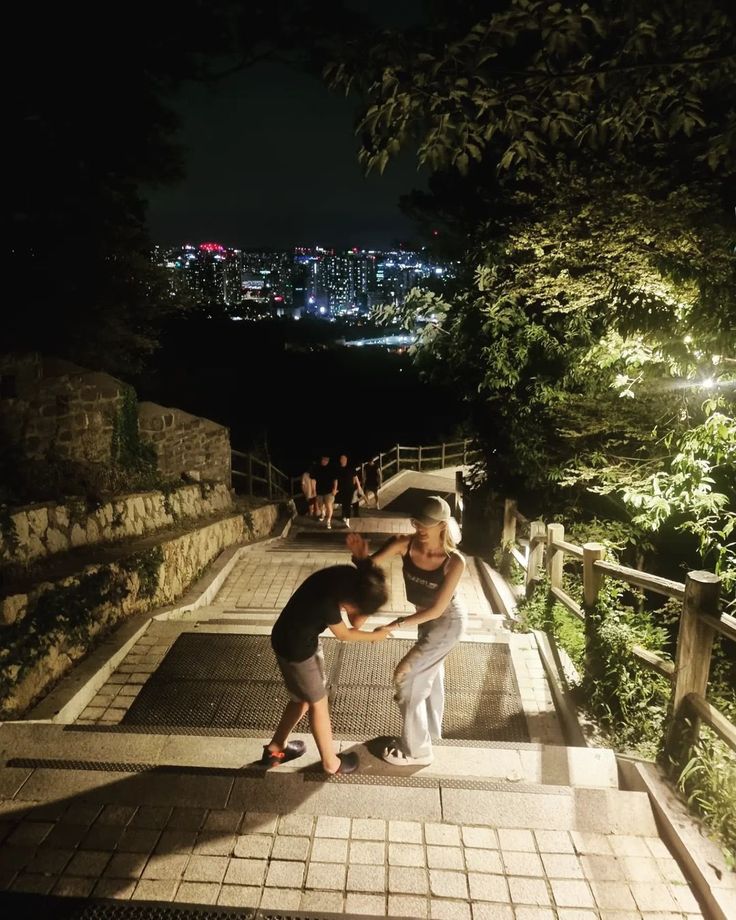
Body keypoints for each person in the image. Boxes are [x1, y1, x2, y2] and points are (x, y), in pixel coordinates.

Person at [349, 495, 466, 766]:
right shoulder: (405, 544)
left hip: (448, 622)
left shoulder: (454, 561)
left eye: (426, 524)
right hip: (424, 620)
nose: (420, 529)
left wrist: (394, 624)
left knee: (407, 677)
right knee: (430, 677)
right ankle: (430, 734)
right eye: (417, 523)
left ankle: (417, 750)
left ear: (443, 525)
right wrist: (360, 556)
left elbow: (438, 610)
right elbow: (370, 567)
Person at [263, 549, 394, 774]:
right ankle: (331, 763)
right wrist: (376, 636)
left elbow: (355, 618)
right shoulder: (327, 602)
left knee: (302, 699)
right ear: (353, 601)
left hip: (294, 638)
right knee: (318, 703)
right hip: (296, 650)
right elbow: (346, 634)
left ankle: (275, 749)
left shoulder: (344, 578)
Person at [335, 453, 365, 528]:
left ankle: (347, 519)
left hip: (350, 489)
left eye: (344, 459)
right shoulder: (338, 469)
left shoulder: (351, 468)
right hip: (341, 489)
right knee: (344, 503)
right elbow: (335, 480)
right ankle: (344, 516)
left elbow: (356, 478)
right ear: (340, 460)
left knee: (347, 503)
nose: (342, 460)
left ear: (346, 460)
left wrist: (359, 487)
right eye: (341, 459)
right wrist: (335, 489)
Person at [312, 455, 337, 529]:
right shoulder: (317, 468)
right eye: (324, 459)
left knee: (329, 506)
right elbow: (313, 480)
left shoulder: (331, 469)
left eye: (326, 460)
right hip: (319, 491)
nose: (325, 461)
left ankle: (328, 521)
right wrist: (314, 490)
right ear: (321, 460)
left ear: (328, 461)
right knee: (320, 506)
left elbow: (335, 480)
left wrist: (335, 489)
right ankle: (323, 513)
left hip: (329, 492)